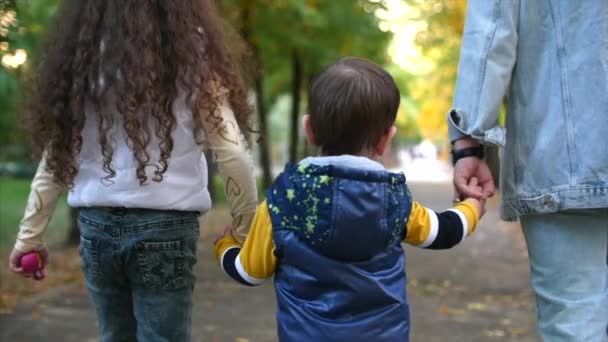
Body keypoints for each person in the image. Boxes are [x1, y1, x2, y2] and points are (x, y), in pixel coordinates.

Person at [8, 1, 258, 341]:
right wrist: (245, 230)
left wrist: (30, 237)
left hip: (96, 227)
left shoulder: (81, 53)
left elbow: (57, 156)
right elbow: (232, 152)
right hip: (166, 229)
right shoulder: (193, 49)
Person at [213, 57, 485, 341]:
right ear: (385, 139)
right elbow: (445, 231)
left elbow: (249, 272)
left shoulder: (283, 201)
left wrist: (226, 246)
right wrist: (472, 205)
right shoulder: (393, 200)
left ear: (309, 130)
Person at [448, 1, 608, 341]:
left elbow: (490, 34)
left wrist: (469, 142)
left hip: (566, 159)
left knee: (576, 325)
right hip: (568, 167)